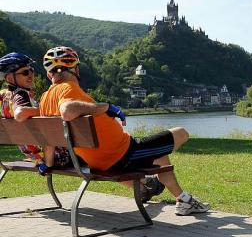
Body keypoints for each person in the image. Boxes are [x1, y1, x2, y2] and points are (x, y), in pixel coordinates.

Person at [36, 46, 209, 216]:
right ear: (76, 69)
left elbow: (48, 138)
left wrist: (48, 164)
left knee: (159, 152)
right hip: (124, 154)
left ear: (49, 73)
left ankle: (159, 192)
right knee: (181, 133)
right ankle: (183, 199)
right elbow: (67, 110)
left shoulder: (44, 99)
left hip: (96, 161)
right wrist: (106, 106)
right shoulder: (68, 88)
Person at [0, 52, 70, 167]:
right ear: (9, 78)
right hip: (58, 157)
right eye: (25, 72)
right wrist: (47, 110)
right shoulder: (19, 95)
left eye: (31, 70)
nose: (30, 75)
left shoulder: (3, 96)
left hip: (36, 157)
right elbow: (20, 113)